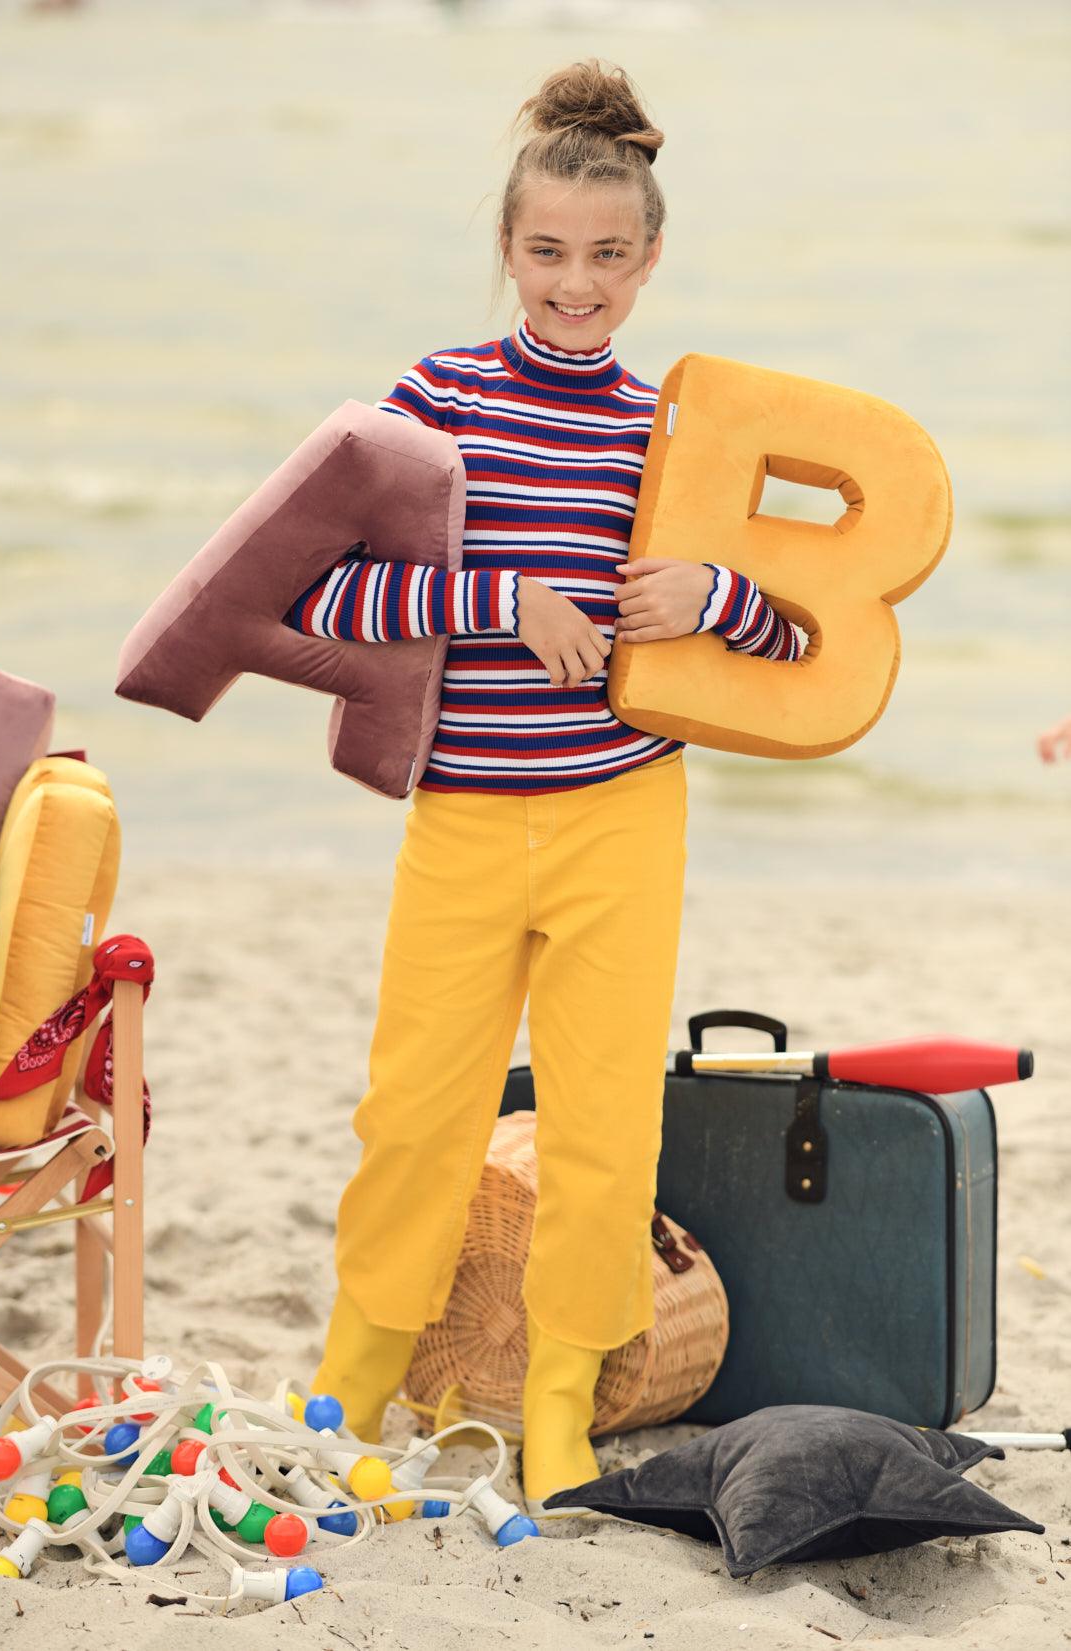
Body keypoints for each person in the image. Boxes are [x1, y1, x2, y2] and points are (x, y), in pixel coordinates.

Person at [283, 58, 804, 1511]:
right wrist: (501, 593)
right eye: (546, 251)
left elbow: (793, 639)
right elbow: (316, 593)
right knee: (415, 1110)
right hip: (460, 811)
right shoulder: (431, 395)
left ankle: (566, 1395)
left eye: (606, 256)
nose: (575, 282)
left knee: (596, 1125)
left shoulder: (670, 431)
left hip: (622, 814)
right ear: (507, 247)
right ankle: (357, 1371)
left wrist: (716, 594)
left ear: (647, 262)